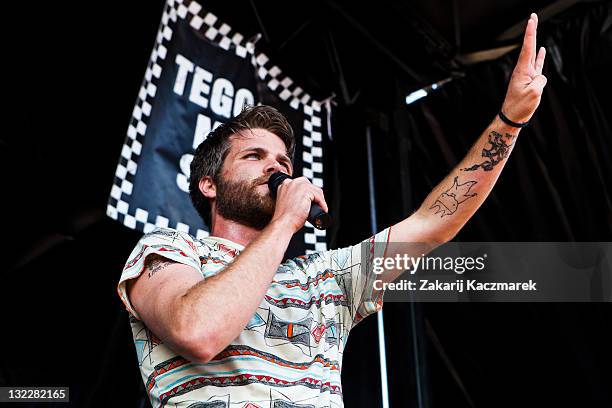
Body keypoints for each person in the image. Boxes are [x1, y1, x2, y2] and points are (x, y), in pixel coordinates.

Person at [117, 13, 547, 408]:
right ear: (208, 184)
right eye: (254, 156)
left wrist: (508, 122)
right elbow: (198, 331)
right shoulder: (168, 251)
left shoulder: (323, 277)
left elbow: (434, 222)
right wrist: (286, 220)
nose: (276, 166)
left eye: (284, 162)